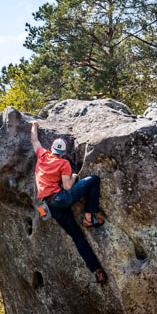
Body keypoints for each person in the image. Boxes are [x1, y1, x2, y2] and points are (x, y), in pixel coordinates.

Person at [31, 121, 108, 283]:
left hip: (50, 206)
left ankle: (97, 271)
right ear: (64, 152)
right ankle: (88, 218)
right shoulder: (64, 163)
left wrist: (34, 125)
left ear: (52, 149)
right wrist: (73, 176)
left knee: (77, 237)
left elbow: (34, 140)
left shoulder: (42, 156)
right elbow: (67, 186)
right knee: (94, 180)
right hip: (61, 198)